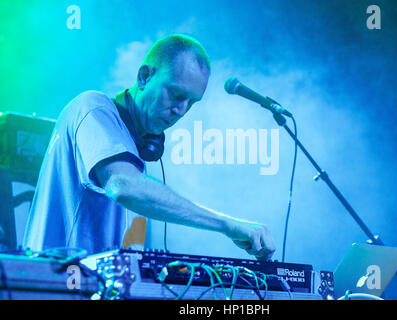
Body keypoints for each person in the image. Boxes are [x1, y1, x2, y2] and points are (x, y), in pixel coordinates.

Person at [23, 34, 276, 260]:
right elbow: (123, 185)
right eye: (176, 95)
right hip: (53, 287)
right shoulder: (92, 108)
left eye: (192, 103)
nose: (181, 110)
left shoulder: (136, 149)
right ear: (144, 76)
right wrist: (227, 225)